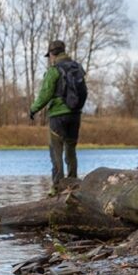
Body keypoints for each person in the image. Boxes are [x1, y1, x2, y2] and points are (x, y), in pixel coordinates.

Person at [30, 40, 86, 188]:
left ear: (52, 54)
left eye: (49, 56)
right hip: (75, 114)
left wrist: (33, 109)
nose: (50, 59)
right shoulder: (77, 68)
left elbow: (45, 94)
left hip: (58, 115)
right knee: (71, 149)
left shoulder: (54, 70)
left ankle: (57, 186)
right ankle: (73, 183)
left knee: (56, 151)